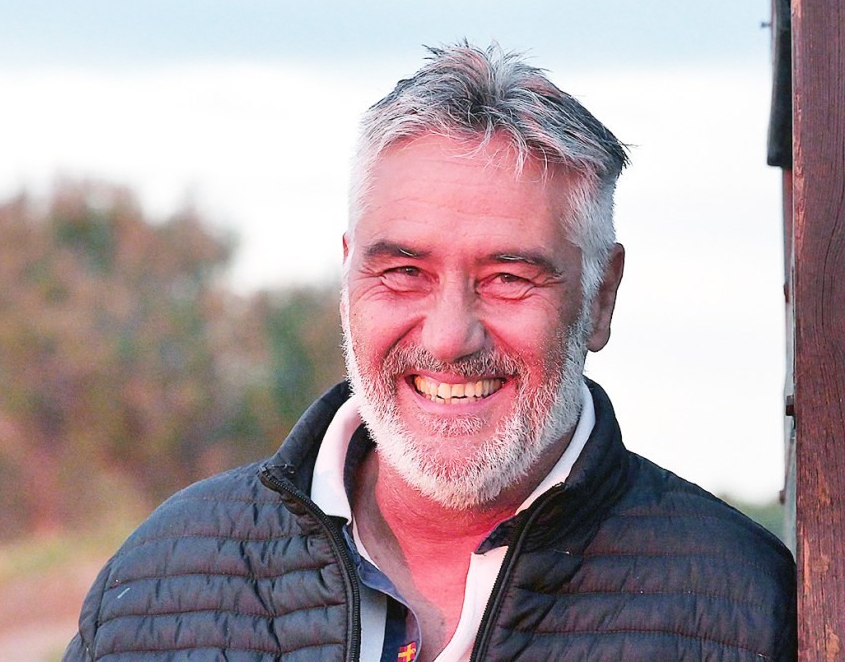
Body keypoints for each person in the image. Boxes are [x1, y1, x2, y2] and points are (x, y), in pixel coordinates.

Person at [64, 43, 796, 661]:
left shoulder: (740, 608)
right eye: (404, 272)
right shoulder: (158, 584)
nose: (448, 337)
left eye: (508, 279)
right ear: (348, 279)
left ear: (601, 297)